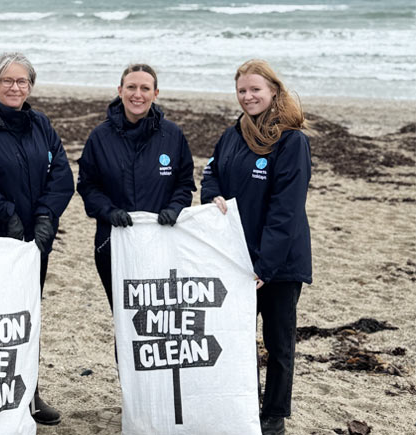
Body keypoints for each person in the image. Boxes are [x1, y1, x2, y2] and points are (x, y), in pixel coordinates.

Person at [0, 52, 74, 426]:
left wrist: (43, 218)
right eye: (8, 81)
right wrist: (6, 215)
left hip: (37, 241)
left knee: (28, 315)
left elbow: (62, 176)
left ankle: (31, 394)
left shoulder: (40, 124)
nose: (15, 87)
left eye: (22, 81)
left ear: (30, 86)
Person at [200, 59, 312, 435]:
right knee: (236, 338)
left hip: (277, 265)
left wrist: (264, 266)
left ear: (274, 92)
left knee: (278, 342)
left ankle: (274, 415)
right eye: (242, 91)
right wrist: (213, 197)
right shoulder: (234, 133)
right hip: (237, 258)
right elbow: (212, 172)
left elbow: (286, 211)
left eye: (255, 90)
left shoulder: (291, 141)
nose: (248, 97)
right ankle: (243, 403)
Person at [77, 63, 196, 312]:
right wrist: (109, 211)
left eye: (145, 88)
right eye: (131, 87)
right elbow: (88, 186)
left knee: (159, 318)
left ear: (156, 93)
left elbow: (185, 184)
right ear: (120, 90)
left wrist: (174, 209)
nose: (137, 94)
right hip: (114, 242)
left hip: (162, 242)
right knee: (124, 318)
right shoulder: (100, 137)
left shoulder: (173, 135)